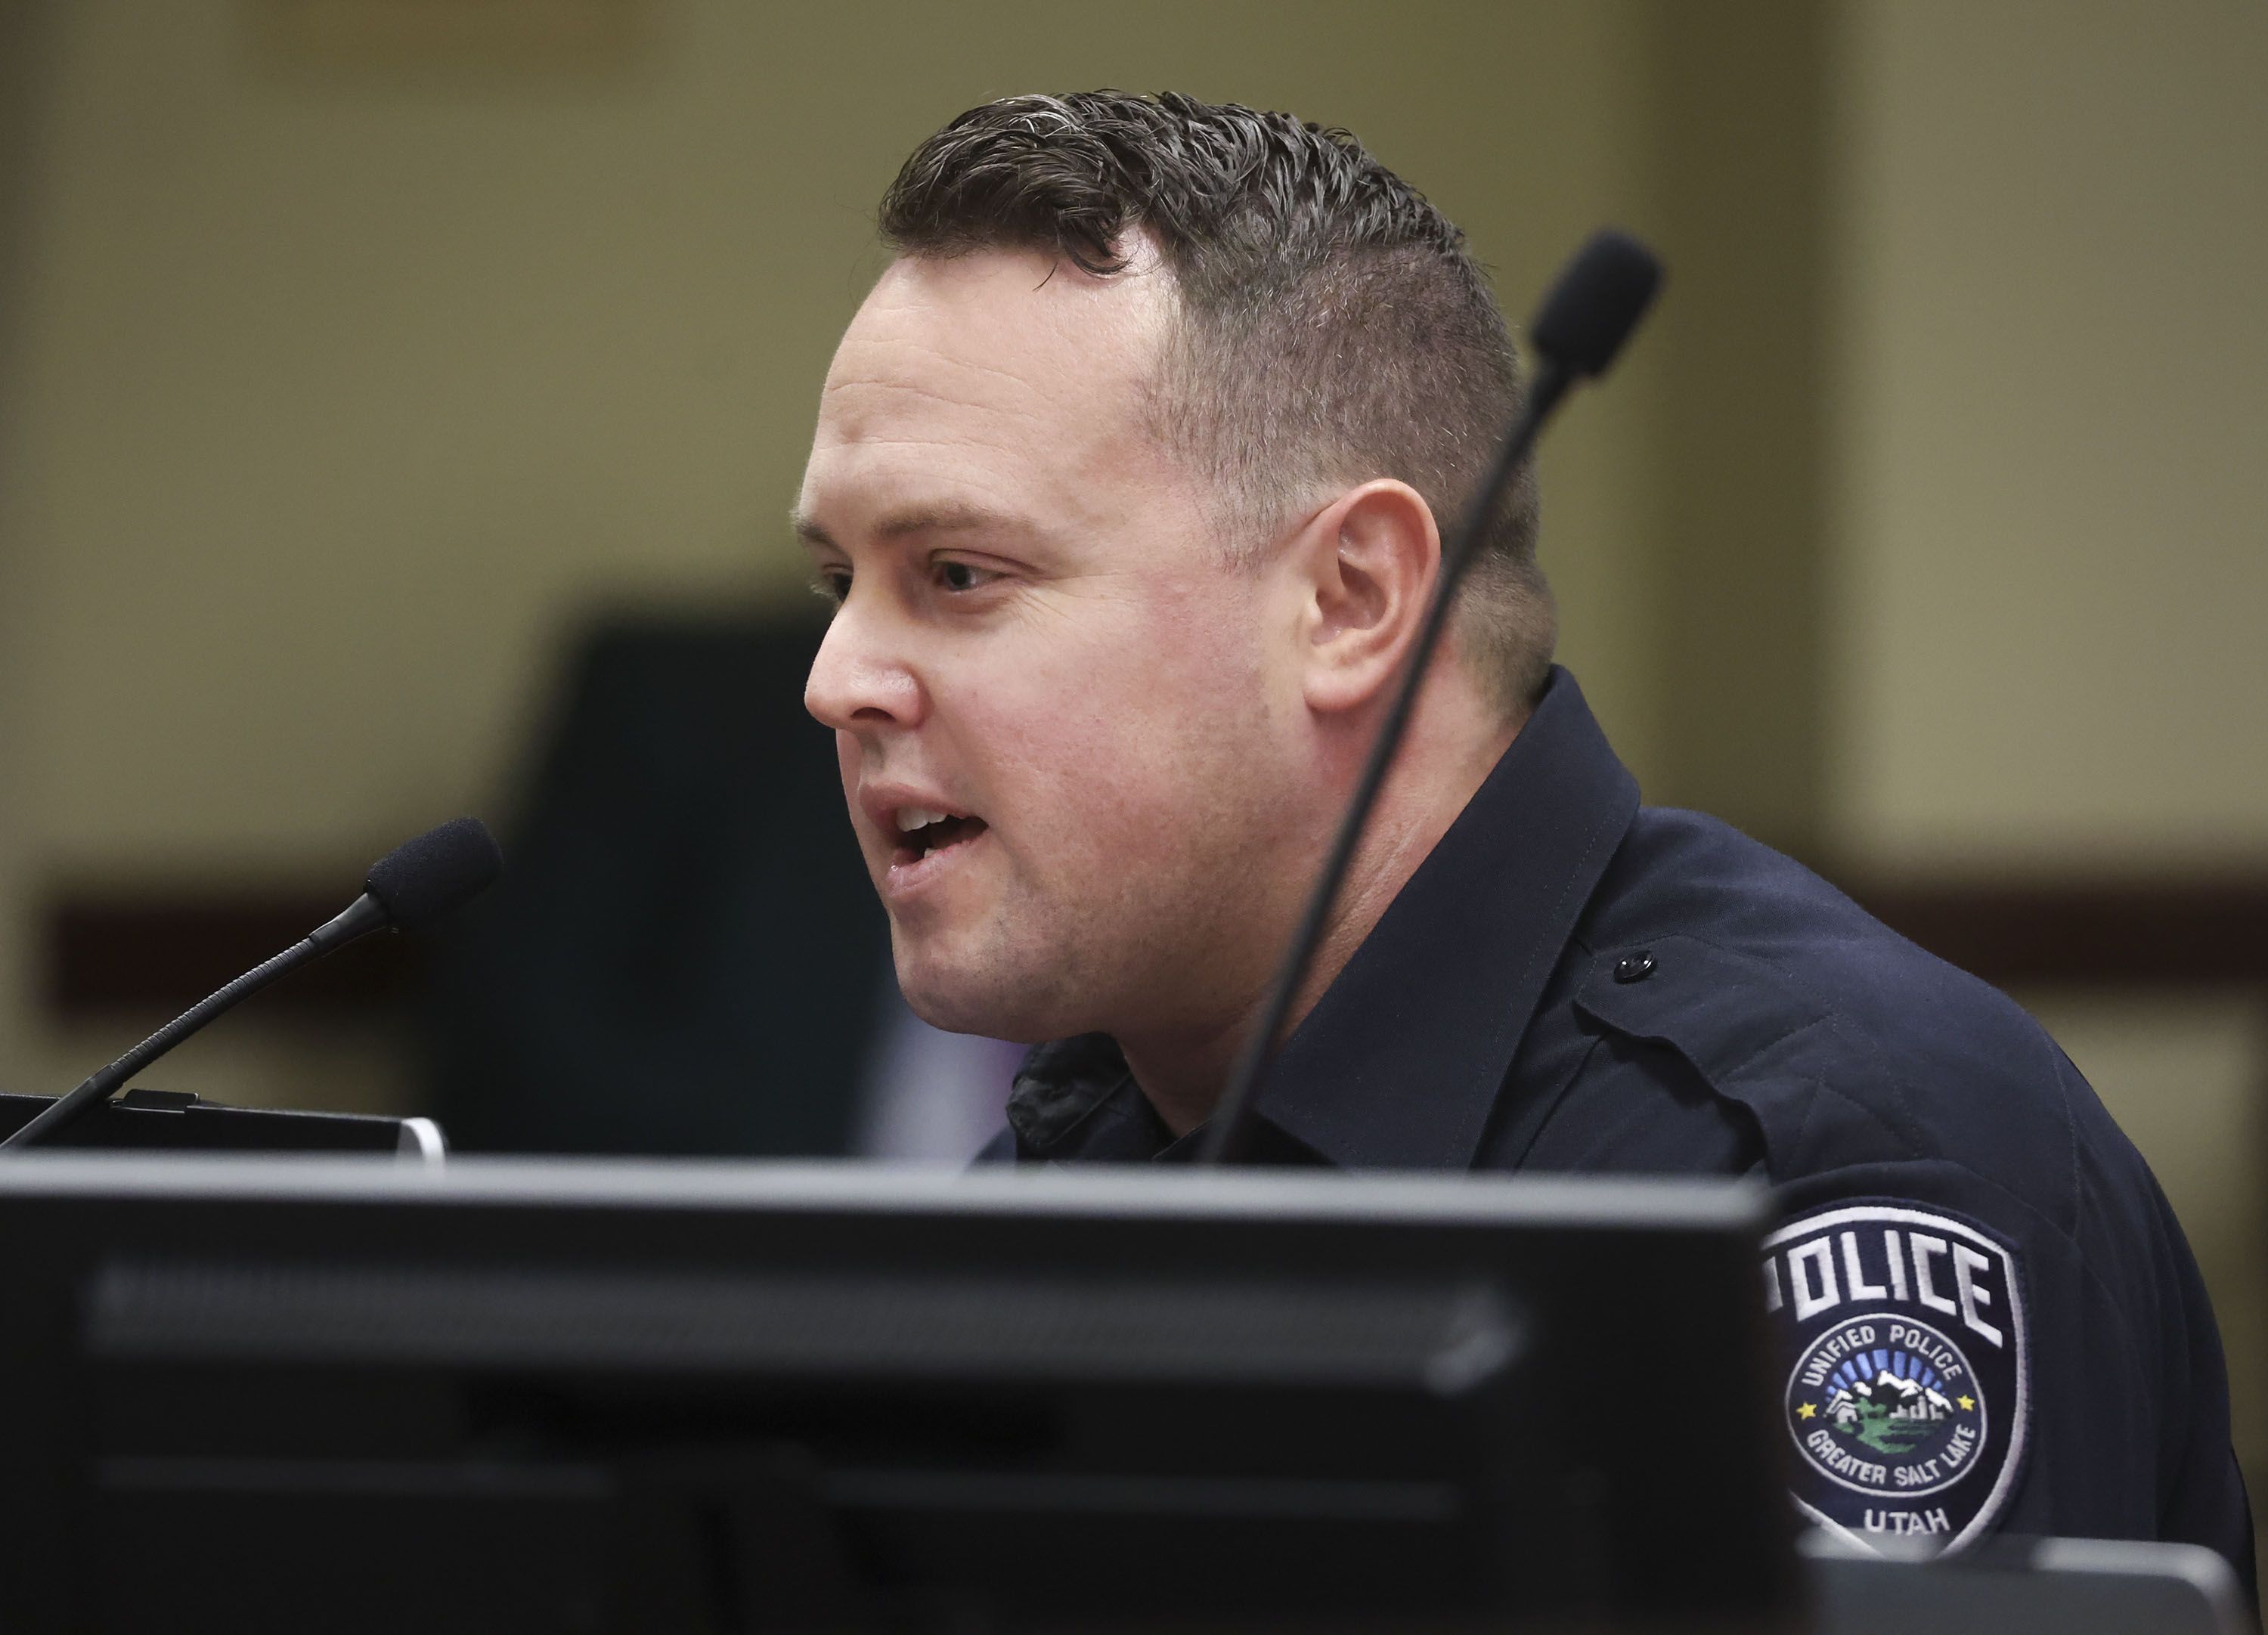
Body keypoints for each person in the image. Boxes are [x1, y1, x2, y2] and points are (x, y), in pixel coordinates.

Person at [791, 91, 2254, 1584]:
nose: (836, 680)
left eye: (957, 572)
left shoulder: (1827, 1160)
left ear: (1353, 600)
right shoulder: (1087, 1150)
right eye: (840, 581)